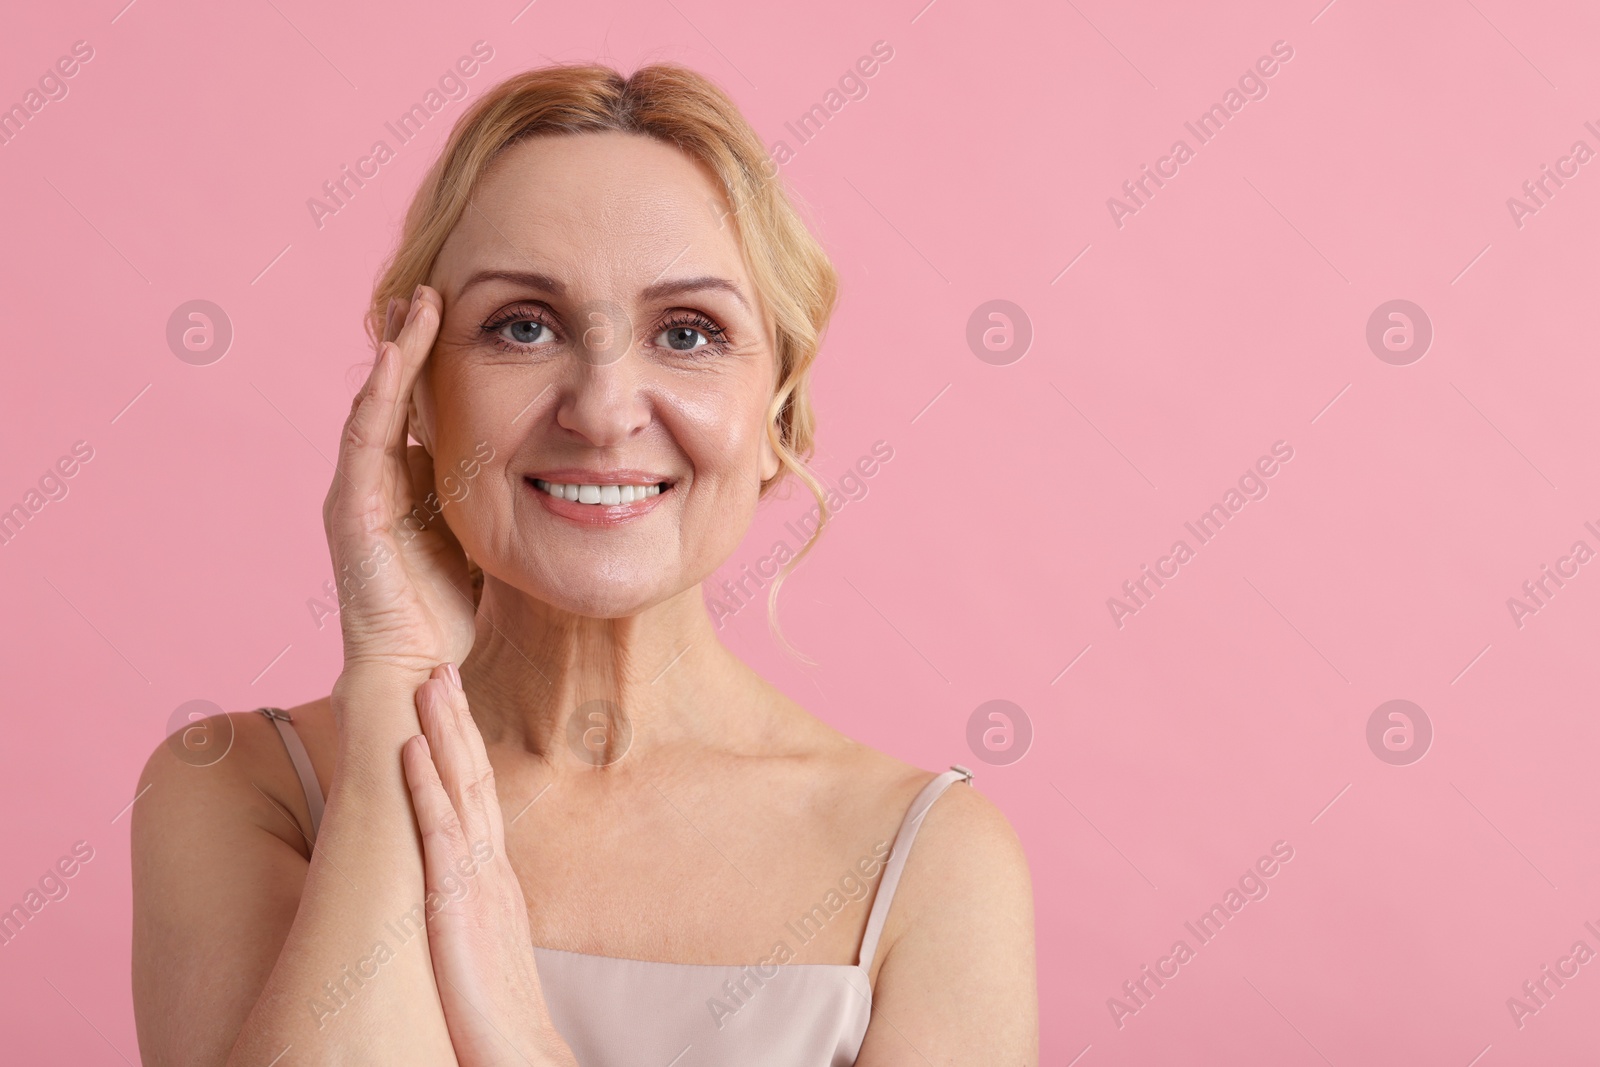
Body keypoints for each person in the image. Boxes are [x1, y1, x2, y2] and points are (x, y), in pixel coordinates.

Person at [132, 62, 1037, 1066]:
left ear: (775, 410)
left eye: (687, 332)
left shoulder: (929, 865)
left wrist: (520, 1038)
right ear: (415, 391)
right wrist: (390, 679)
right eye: (523, 325)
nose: (603, 408)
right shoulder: (241, 789)